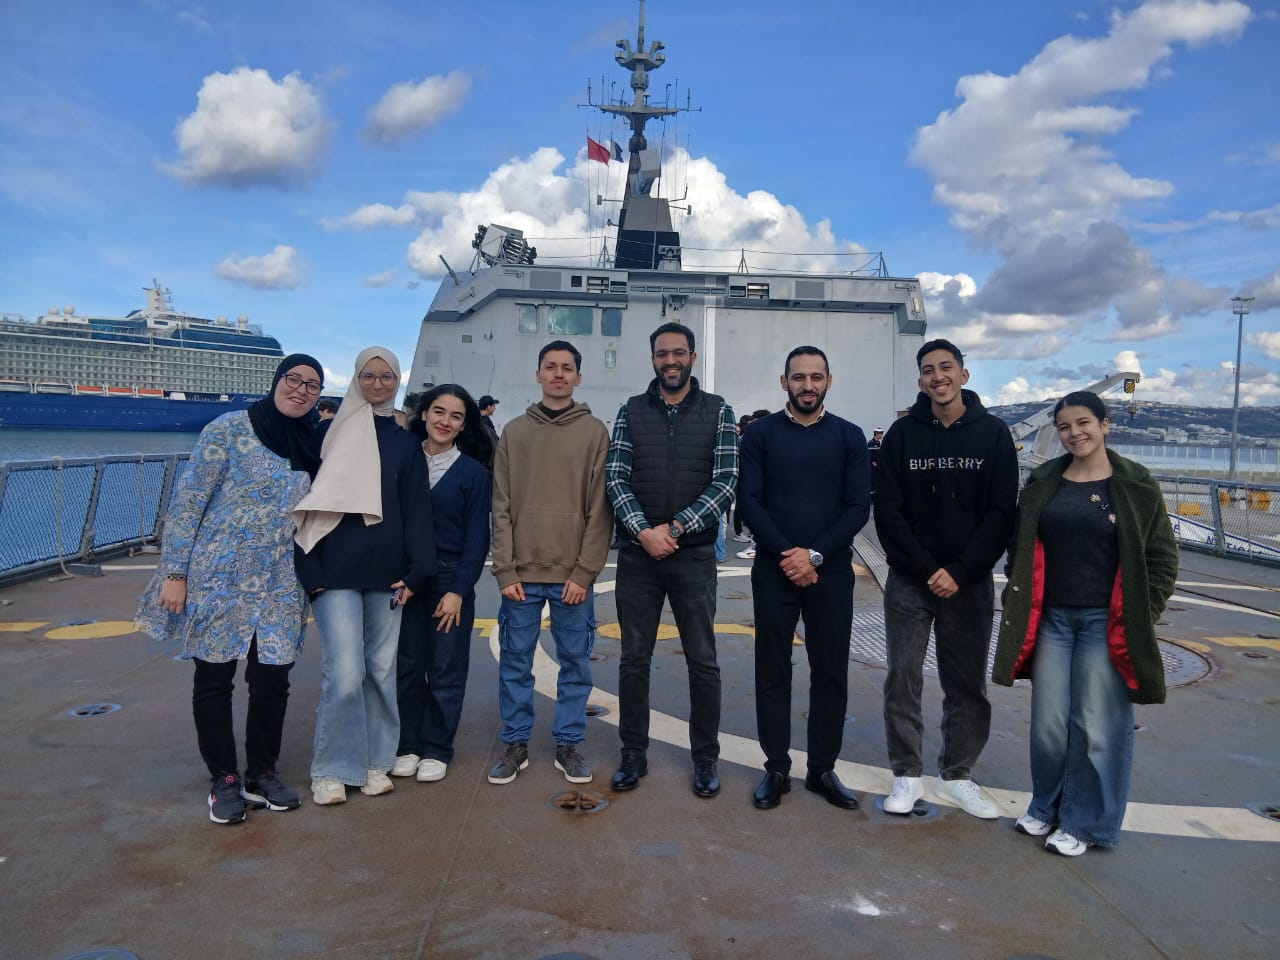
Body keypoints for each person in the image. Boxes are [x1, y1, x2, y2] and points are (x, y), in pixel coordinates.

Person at [135, 354, 324, 825]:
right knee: (214, 679)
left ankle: (261, 772)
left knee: (273, 680)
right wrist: (175, 573)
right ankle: (223, 779)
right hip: (221, 575)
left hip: (282, 581)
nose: (300, 390)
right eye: (293, 380)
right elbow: (187, 502)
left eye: (312, 385)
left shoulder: (312, 444)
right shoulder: (229, 429)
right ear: (277, 381)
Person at [993, 391, 1177, 856]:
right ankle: (1047, 806)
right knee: (1049, 724)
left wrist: (1142, 612)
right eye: (1065, 426)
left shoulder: (1135, 484)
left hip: (1105, 620)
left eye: (1083, 423)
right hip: (1053, 618)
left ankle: (1087, 823)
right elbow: (1021, 547)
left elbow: (1160, 557)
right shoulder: (1044, 482)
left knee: (1098, 724)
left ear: (1105, 425)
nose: (1074, 433)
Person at [875, 338, 1018, 818]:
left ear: (964, 374)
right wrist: (925, 568)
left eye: (946, 368)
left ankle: (958, 775)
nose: (938, 376)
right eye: (929, 370)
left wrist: (959, 570)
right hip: (910, 580)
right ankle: (907, 775)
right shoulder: (901, 437)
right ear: (920, 381)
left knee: (966, 683)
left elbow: (1001, 513)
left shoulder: (993, 435)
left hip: (969, 582)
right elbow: (888, 512)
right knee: (903, 677)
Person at [294, 347, 435, 806]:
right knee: (347, 674)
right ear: (357, 379)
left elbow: (416, 512)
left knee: (380, 671)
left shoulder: (404, 443)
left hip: (388, 576)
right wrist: (310, 574)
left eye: (387, 376)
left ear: (398, 381)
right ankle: (332, 769)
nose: (378, 384)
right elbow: (301, 508)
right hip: (333, 572)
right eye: (369, 376)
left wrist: (418, 572)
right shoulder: (325, 435)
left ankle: (376, 761)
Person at [605, 322, 738, 798]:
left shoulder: (718, 412)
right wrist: (643, 531)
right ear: (653, 359)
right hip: (640, 558)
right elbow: (616, 477)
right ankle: (633, 753)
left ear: (693, 357)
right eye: (662, 354)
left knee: (703, 661)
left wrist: (675, 529)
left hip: (693, 556)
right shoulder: (630, 412)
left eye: (678, 353)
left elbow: (724, 482)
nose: (670, 361)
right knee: (633, 658)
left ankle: (705, 759)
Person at [738, 346, 870, 811]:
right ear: (784, 382)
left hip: (830, 573)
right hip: (774, 572)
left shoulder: (850, 437)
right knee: (772, 670)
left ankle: (822, 769)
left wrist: (813, 554)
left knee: (830, 672)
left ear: (829, 382)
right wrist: (788, 555)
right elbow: (750, 501)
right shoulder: (760, 435)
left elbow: (858, 506)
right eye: (799, 377)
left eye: (816, 377)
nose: (807, 385)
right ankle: (776, 767)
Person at [488, 341, 612, 785]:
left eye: (567, 368)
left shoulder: (595, 432)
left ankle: (568, 744)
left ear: (578, 377)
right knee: (515, 664)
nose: (558, 374)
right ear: (538, 374)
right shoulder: (514, 433)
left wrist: (584, 573)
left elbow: (601, 509)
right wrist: (505, 569)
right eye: (550, 367)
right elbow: (500, 505)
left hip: (571, 578)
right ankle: (516, 742)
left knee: (575, 665)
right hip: (520, 574)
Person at [392, 385, 493, 783]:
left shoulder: (471, 473)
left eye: (455, 416)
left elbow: (476, 539)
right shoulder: (403, 460)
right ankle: (408, 743)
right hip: (407, 578)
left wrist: (459, 591)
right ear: (424, 414)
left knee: (446, 666)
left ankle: (437, 747)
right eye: (438, 411)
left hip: (450, 577)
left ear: (464, 425)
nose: (444, 421)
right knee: (408, 665)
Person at [477, 395, 500, 470]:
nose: (495, 408)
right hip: (484, 463)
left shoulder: (474, 419)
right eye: (493, 406)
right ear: (488, 407)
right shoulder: (486, 422)